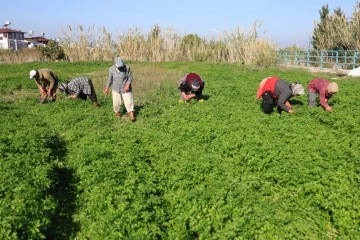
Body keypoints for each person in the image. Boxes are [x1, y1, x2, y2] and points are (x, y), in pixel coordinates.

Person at [104, 56, 135, 122]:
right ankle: (118, 114)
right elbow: (110, 79)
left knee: (129, 101)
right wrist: (107, 87)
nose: (120, 67)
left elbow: (130, 77)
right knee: (116, 103)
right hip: (116, 88)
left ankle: (132, 116)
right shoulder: (111, 69)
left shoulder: (127, 68)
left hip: (125, 87)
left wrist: (127, 85)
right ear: (115, 64)